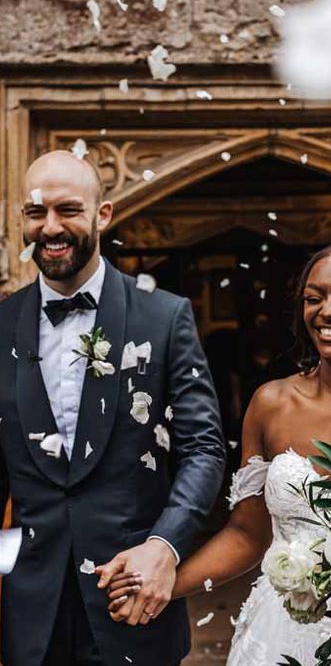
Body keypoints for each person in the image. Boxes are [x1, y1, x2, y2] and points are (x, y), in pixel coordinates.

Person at [99, 239, 331, 664]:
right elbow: (248, 534)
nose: (327, 311)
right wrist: (163, 583)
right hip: (282, 634)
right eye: (314, 299)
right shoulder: (272, 404)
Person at [0, 150, 225, 665]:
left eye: (68, 210)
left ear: (103, 215)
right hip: (30, 615)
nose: (51, 227)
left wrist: (164, 547)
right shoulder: (1, 326)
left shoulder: (165, 318)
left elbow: (204, 450)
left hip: (136, 598)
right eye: (37, 213)